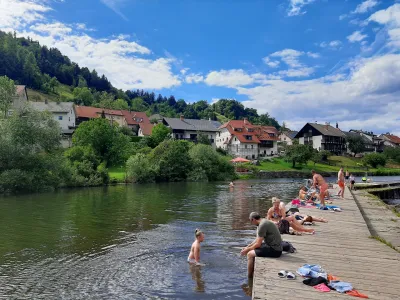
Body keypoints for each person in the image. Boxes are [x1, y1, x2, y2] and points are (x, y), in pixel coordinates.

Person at [240, 212, 282, 278]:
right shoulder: (263, 222)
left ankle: (249, 277)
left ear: (253, 219)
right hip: (275, 246)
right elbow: (257, 239)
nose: (251, 223)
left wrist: (247, 250)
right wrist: (247, 247)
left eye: (251, 221)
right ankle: (252, 272)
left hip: (275, 250)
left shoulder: (262, 225)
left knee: (250, 254)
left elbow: (258, 244)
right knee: (251, 249)